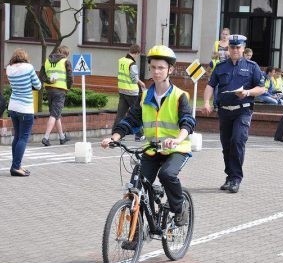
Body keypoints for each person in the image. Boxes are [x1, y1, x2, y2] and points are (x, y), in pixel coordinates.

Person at [101, 45, 196, 227]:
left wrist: (177, 139)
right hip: (152, 149)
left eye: (161, 67)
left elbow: (187, 122)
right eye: (153, 67)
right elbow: (130, 120)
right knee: (137, 185)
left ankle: (179, 208)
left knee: (167, 174)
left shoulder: (179, 96)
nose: (156, 71)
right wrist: (115, 138)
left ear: (170, 69)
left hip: (176, 148)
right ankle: (136, 233)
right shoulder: (144, 97)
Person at [202, 34, 265, 193]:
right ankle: (230, 177)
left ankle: (236, 178)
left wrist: (248, 92)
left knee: (237, 141)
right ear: (228, 49)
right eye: (232, 47)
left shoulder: (252, 66)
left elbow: (262, 88)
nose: (235, 50)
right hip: (224, 111)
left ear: (243, 48)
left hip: (243, 110)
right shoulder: (221, 67)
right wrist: (206, 103)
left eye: (238, 47)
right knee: (226, 145)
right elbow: (210, 86)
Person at [6, 48, 42, 176]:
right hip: (25, 108)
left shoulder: (9, 69)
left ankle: (17, 165)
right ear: (25, 57)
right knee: (23, 137)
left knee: (17, 136)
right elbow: (38, 86)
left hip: (13, 106)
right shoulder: (28, 67)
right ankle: (16, 167)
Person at [39, 45, 72, 146]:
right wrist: (69, 87)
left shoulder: (47, 61)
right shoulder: (65, 61)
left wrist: (48, 81)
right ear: (66, 54)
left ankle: (62, 137)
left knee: (55, 113)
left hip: (49, 90)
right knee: (54, 114)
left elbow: (41, 75)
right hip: (60, 90)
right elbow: (70, 76)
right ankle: (46, 137)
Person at [113, 44, 146, 141]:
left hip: (122, 90)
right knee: (137, 113)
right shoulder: (132, 64)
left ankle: (116, 134)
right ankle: (139, 135)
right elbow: (134, 78)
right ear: (137, 53)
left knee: (121, 114)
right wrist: (142, 83)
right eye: (138, 54)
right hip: (132, 92)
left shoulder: (121, 60)